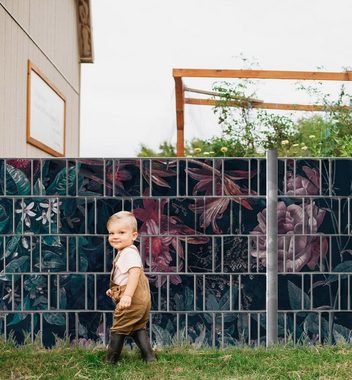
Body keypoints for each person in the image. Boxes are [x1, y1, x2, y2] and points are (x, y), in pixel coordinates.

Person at [105, 211, 155, 364]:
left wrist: (126, 296)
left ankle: (110, 361)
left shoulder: (129, 253)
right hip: (139, 299)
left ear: (134, 235)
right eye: (111, 233)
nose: (115, 236)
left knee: (119, 327)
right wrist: (114, 291)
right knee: (137, 327)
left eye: (121, 232)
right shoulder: (126, 252)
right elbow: (123, 277)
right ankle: (149, 357)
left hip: (133, 298)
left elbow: (134, 275)